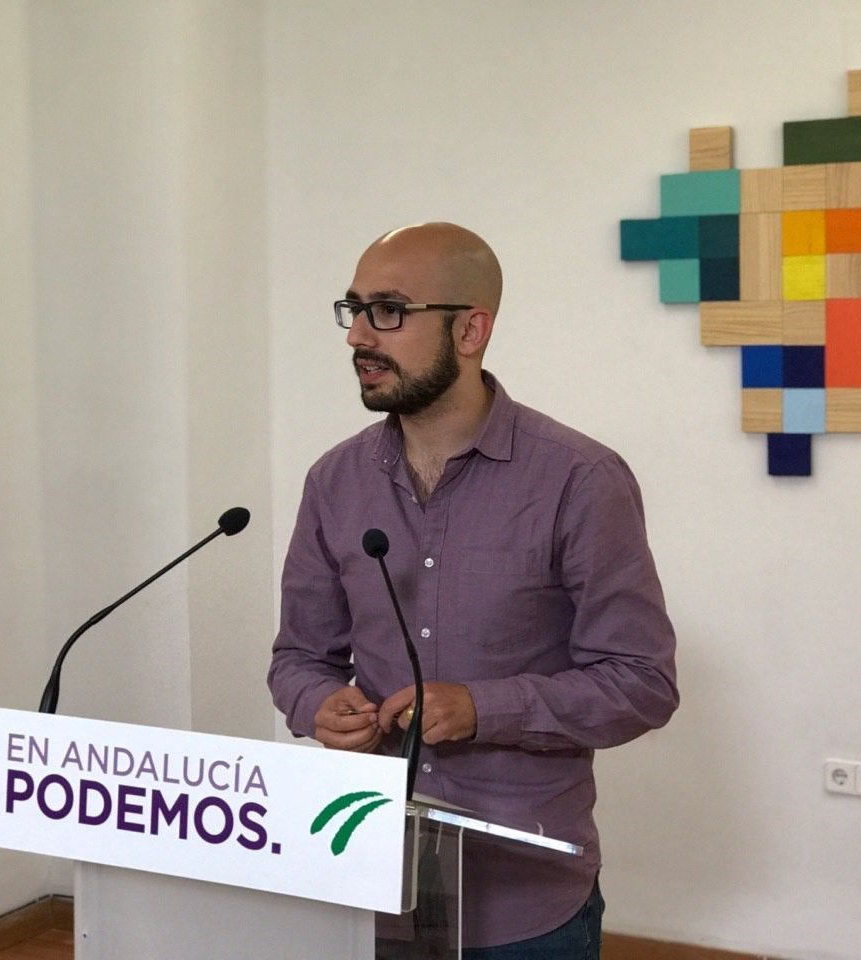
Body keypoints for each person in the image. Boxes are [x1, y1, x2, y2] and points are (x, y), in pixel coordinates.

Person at [268, 222, 678, 959]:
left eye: (389, 310)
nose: (359, 334)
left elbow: (642, 683)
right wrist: (317, 704)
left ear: (471, 329)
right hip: (370, 873)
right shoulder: (335, 480)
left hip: (524, 898)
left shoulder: (580, 480)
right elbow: (299, 656)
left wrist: (482, 708)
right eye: (353, 309)